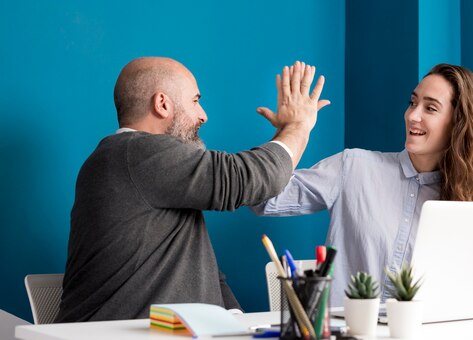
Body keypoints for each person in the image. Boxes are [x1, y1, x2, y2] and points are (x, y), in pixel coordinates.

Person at [55, 57, 330, 323]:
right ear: (162, 104)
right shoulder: (133, 152)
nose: (203, 115)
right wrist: (298, 126)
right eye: (195, 101)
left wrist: (234, 318)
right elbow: (243, 179)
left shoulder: (137, 165)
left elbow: (196, 266)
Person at [252, 63, 473, 306]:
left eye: (431, 109)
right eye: (413, 103)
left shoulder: (467, 202)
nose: (413, 116)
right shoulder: (354, 166)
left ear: (459, 124)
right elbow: (263, 199)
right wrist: (293, 130)